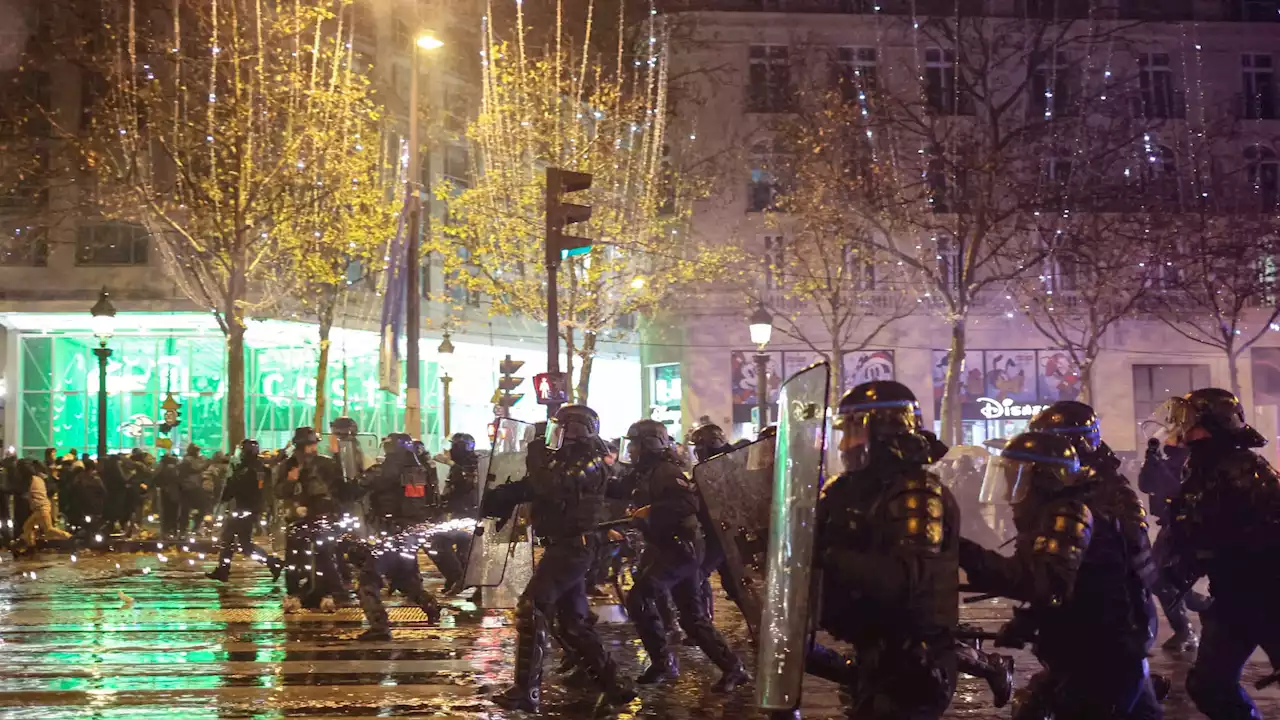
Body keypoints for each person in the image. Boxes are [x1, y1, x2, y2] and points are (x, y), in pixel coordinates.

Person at [961, 431, 1158, 719]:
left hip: (1101, 660)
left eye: (1017, 476)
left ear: (1043, 478)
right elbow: (1072, 588)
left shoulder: (1069, 514)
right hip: (1099, 654)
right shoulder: (1055, 512)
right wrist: (1029, 622)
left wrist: (966, 552)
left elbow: (1038, 580)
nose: (1008, 488)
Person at [817, 380, 961, 719]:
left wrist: (828, 554)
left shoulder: (917, 494)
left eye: (853, 433)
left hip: (913, 662)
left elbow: (901, 580)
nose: (845, 445)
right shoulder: (862, 489)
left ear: (883, 434)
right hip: (875, 648)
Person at [483, 405, 635, 712]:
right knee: (572, 624)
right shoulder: (567, 458)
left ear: (575, 429)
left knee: (531, 607)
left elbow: (553, 485)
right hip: (564, 546)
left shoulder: (591, 460)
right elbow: (538, 488)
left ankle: (527, 690)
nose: (553, 436)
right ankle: (615, 686)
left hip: (574, 547)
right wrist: (500, 497)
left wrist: (537, 455)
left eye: (560, 429)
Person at [1154, 388, 1280, 719]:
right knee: (1209, 684)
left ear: (1212, 424)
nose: (1179, 427)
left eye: (1187, 420)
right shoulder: (1200, 467)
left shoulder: (1246, 468)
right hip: (1232, 598)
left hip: (1269, 596)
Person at [620, 418, 748, 690]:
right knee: (692, 617)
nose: (630, 450)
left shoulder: (666, 471)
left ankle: (663, 661)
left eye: (634, 444)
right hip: (673, 548)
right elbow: (618, 489)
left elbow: (686, 502)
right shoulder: (646, 471)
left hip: (681, 549)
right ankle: (733, 668)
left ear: (649, 444)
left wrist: (652, 512)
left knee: (640, 598)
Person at [1138, 436, 1205, 652]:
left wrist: (1158, 465)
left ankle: (1187, 629)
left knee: (1163, 581)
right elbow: (1146, 484)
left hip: (1187, 531)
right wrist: (1151, 461)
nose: (1171, 437)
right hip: (1170, 528)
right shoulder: (1168, 460)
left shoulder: (1194, 462)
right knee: (1159, 580)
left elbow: (1177, 490)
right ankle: (1209, 609)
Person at [207, 439, 283, 582]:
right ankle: (272, 563)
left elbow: (235, 489)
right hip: (250, 509)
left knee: (232, 541)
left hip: (244, 509)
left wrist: (229, 482)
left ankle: (224, 569)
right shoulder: (257, 467)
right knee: (241, 544)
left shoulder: (247, 470)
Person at [431, 432, 479, 595]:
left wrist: (452, 465)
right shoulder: (460, 465)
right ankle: (460, 580)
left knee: (439, 544)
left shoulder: (470, 465)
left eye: (453, 446)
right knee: (463, 552)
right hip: (460, 513)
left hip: (466, 514)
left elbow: (466, 485)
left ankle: (459, 578)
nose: (450, 450)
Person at [18, 461, 72, 549]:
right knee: (27, 527)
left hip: (41, 508)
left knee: (49, 529)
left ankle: (69, 537)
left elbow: (28, 493)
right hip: (40, 508)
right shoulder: (38, 478)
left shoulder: (31, 480)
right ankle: (31, 545)